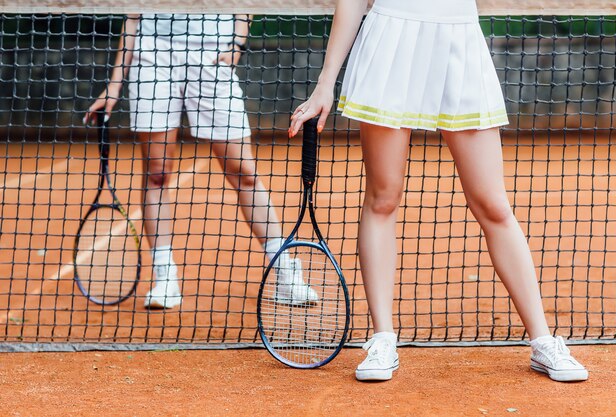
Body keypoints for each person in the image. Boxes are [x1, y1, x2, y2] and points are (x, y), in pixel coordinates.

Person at [289, 0, 588, 382]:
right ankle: (383, 339)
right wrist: (324, 83)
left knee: (494, 206)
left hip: (458, 42)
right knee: (383, 198)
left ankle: (544, 341)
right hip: (391, 43)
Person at [86, 13, 318, 309]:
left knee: (245, 173)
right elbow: (133, 16)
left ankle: (285, 273)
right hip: (152, 56)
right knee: (157, 174)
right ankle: (165, 278)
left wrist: (236, 44)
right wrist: (114, 85)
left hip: (213, 55)